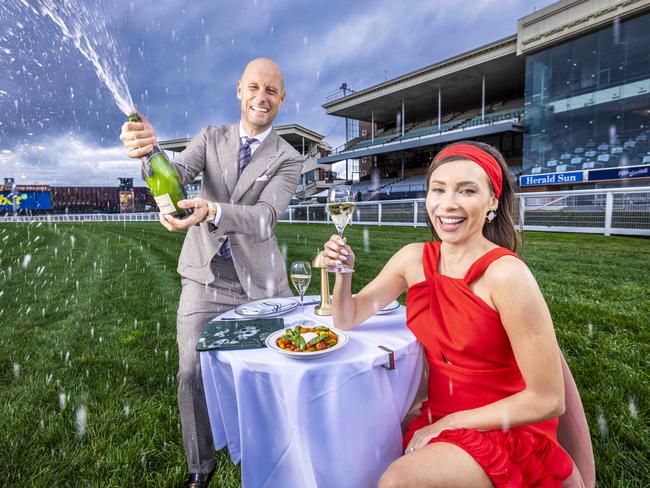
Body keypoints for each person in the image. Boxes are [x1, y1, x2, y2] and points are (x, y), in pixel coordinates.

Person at [322, 141, 575, 487]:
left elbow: (549, 399)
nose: (448, 204)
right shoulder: (412, 259)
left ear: (492, 203)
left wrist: (451, 423)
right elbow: (346, 318)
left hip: (504, 426)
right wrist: (344, 272)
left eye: (466, 190)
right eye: (437, 190)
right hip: (441, 411)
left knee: (397, 481)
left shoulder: (506, 275)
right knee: (353, 441)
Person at [120, 58, 303, 488]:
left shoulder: (288, 158)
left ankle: (268, 457)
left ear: (282, 99)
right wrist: (148, 150)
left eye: (271, 91)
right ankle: (200, 469)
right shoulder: (209, 137)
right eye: (254, 87)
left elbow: (264, 219)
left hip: (258, 285)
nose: (262, 97)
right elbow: (175, 174)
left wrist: (214, 209)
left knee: (266, 376)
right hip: (203, 277)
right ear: (238, 90)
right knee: (191, 373)